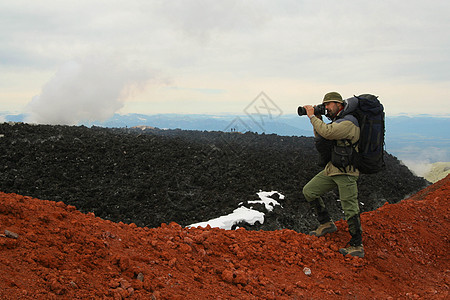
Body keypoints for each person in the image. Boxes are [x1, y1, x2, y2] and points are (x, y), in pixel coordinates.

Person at [302, 92, 364, 258]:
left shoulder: (349, 122)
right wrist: (318, 119)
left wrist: (312, 117)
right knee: (309, 191)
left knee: (349, 207)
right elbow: (322, 135)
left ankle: (357, 245)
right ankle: (326, 223)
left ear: (339, 104)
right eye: (325, 105)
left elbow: (328, 133)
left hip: (346, 172)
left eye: (329, 104)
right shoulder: (337, 121)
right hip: (333, 168)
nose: (327, 107)